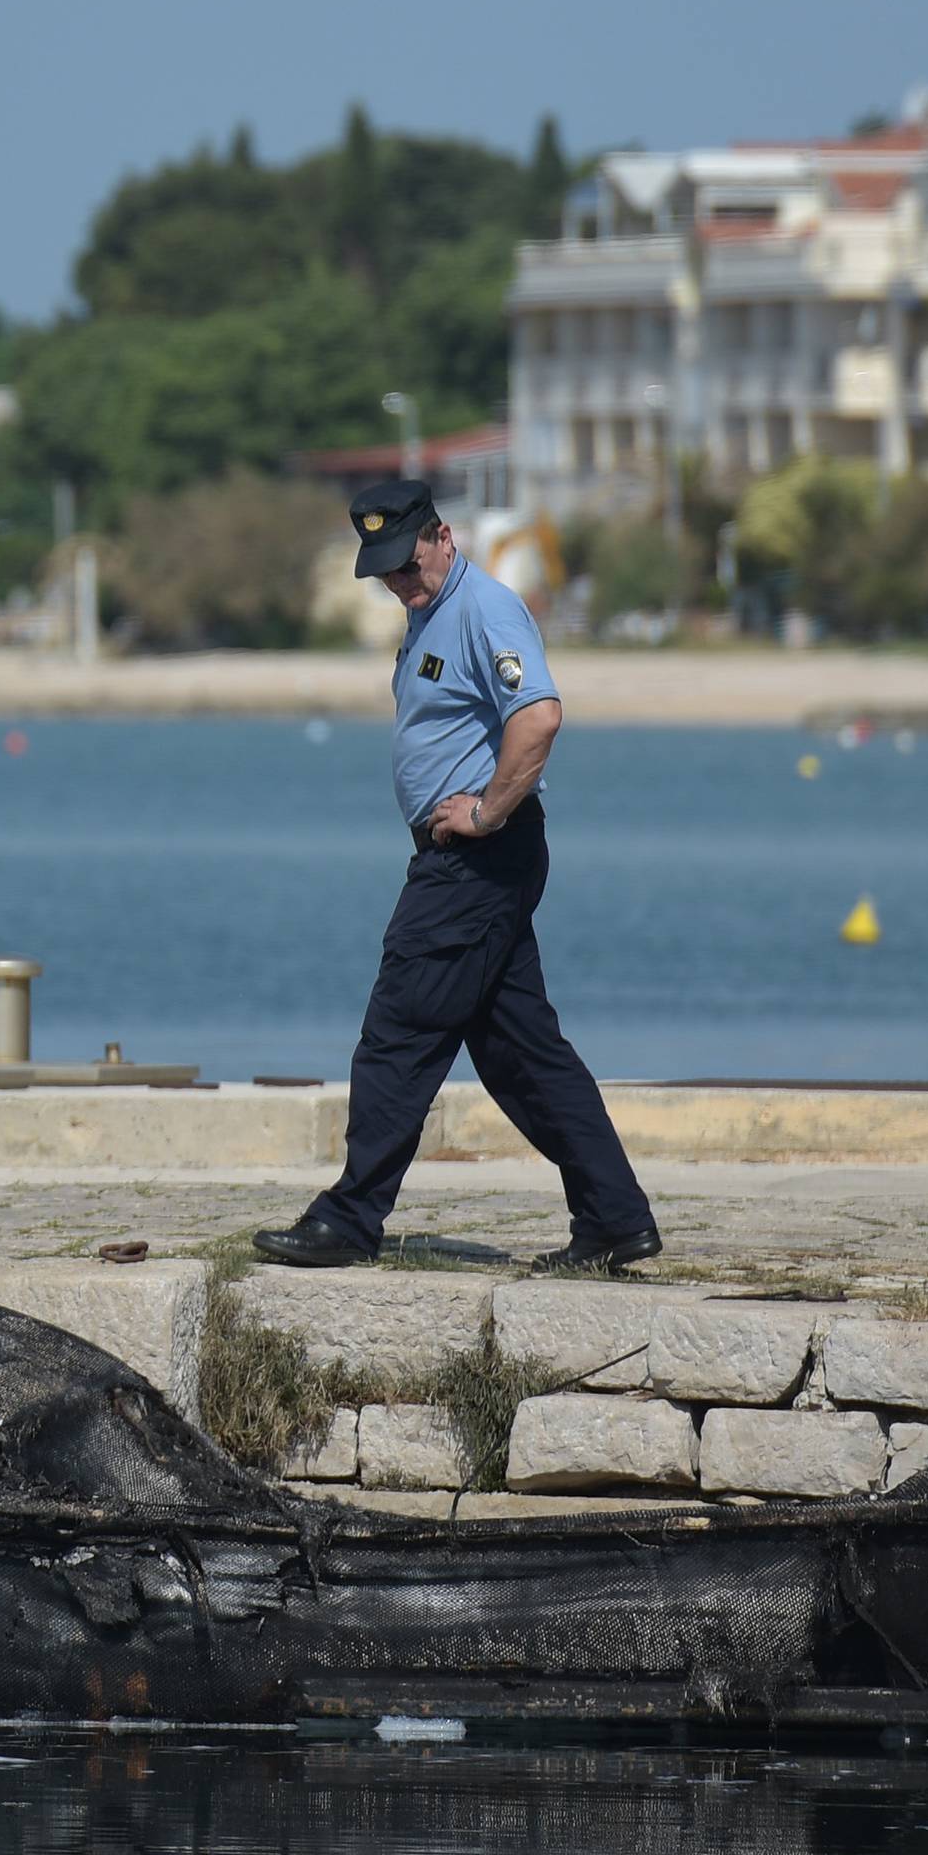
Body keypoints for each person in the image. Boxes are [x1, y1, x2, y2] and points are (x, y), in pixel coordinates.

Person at [254, 476, 661, 1274]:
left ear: (443, 536)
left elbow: (538, 717)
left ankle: (350, 1217)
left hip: (475, 860)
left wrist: (484, 814)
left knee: (399, 1030)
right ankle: (615, 1219)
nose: (402, 582)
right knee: (523, 1055)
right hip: (471, 861)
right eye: (387, 573)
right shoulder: (431, 614)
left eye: (410, 563)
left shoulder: (485, 609)